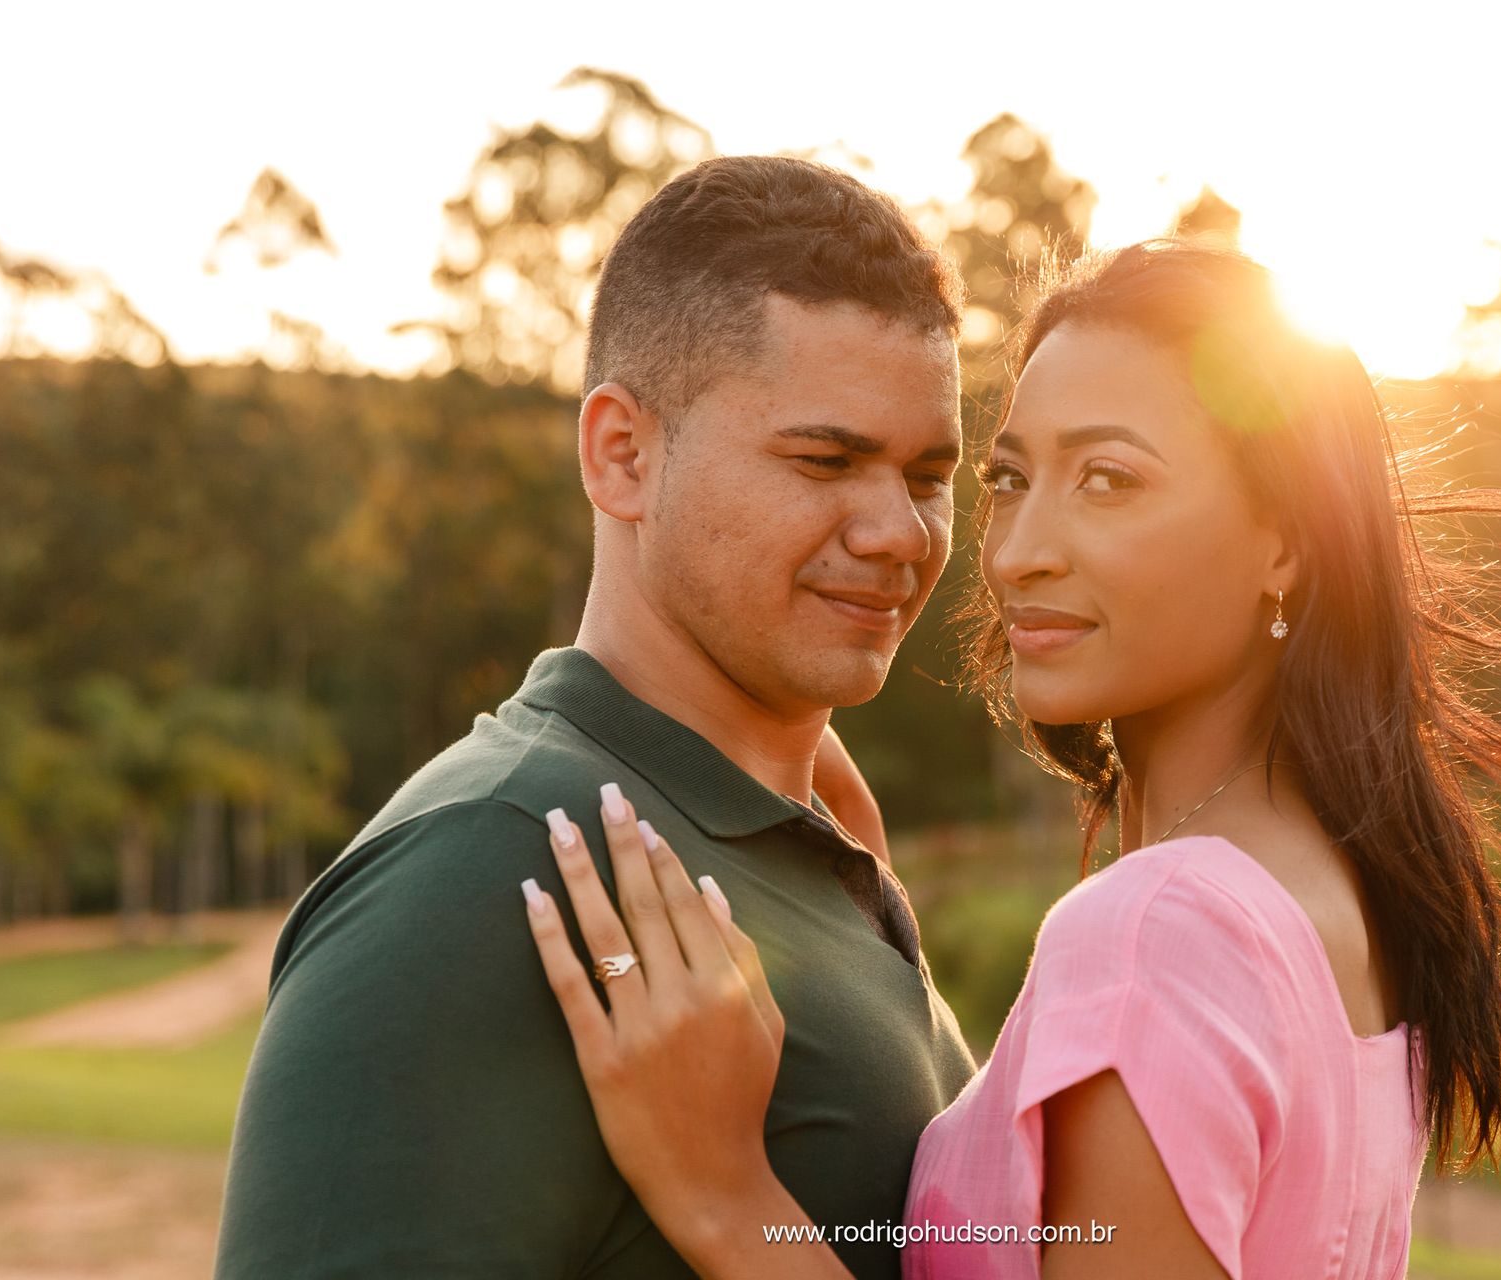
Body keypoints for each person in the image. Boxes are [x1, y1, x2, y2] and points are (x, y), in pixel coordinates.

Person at [521, 239, 1501, 1278]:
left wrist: (731, 1200)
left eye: (1109, 479)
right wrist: (880, 930)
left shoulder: (1160, 927)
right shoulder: (1328, 890)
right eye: (1008, 478)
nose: (1020, 550)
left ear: (1284, 543)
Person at [214, 155, 979, 1278]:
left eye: (927, 474)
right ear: (622, 453)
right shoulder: (494, 862)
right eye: (826, 459)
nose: (902, 532)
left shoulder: (809, 835)